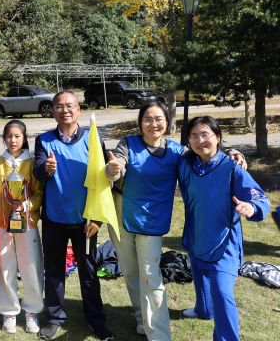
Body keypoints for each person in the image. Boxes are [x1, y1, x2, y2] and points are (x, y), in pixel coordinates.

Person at [106, 102, 247, 340]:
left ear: (167, 121)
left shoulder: (176, 151)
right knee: (130, 271)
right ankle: (141, 317)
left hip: (152, 220)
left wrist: (235, 152)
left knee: (150, 275)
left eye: (158, 119)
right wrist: (113, 169)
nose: (153, 124)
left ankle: (159, 335)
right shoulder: (127, 144)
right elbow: (117, 164)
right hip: (122, 214)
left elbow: (205, 150)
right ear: (140, 123)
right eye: (148, 119)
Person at [178, 116, 269, 341]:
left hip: (224, 243)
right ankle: (203, 310)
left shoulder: (232, 168)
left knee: (221, 291)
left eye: (205, 134)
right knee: (200, 277)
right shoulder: (186, 164)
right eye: (194, 136)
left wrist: (251, 207)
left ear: (218, 137)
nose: (200, 140)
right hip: (197, 235)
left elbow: (260, 199)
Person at [33, 90, 113, 341]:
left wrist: (97, 218)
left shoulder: (93, 138)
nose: (65, 110)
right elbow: (37, 172)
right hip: (54, 219)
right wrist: (45, 169)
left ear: (78, 110)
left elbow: (103, 180)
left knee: (88, 272)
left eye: (70, 106)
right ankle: (54, 318)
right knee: (54, 271)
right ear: (52, 111)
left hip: (85, 221)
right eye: (59, 106)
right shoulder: (44, 140)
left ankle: (95, 320)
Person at [0, 119, 44, 334]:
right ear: (4, 139)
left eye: (17, 136)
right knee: (5, 269)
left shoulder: (32, 164)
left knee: (31, 267)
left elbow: (39, 194)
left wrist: (26, 205)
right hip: (2, 225)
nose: (13, 140)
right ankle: (8, 311)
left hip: (27, 224)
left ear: (24, 138)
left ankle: (32, 311)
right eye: (9, 136)